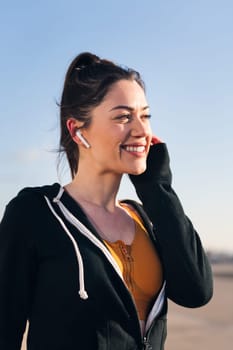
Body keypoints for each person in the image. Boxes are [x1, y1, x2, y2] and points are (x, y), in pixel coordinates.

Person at [0, 52, 213, 350]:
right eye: (123, 117)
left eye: (145, 115)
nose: (141, 130)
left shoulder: (143, 216)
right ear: (77, 130)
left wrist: (157, 188)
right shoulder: (35, 212)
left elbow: (196, 291)